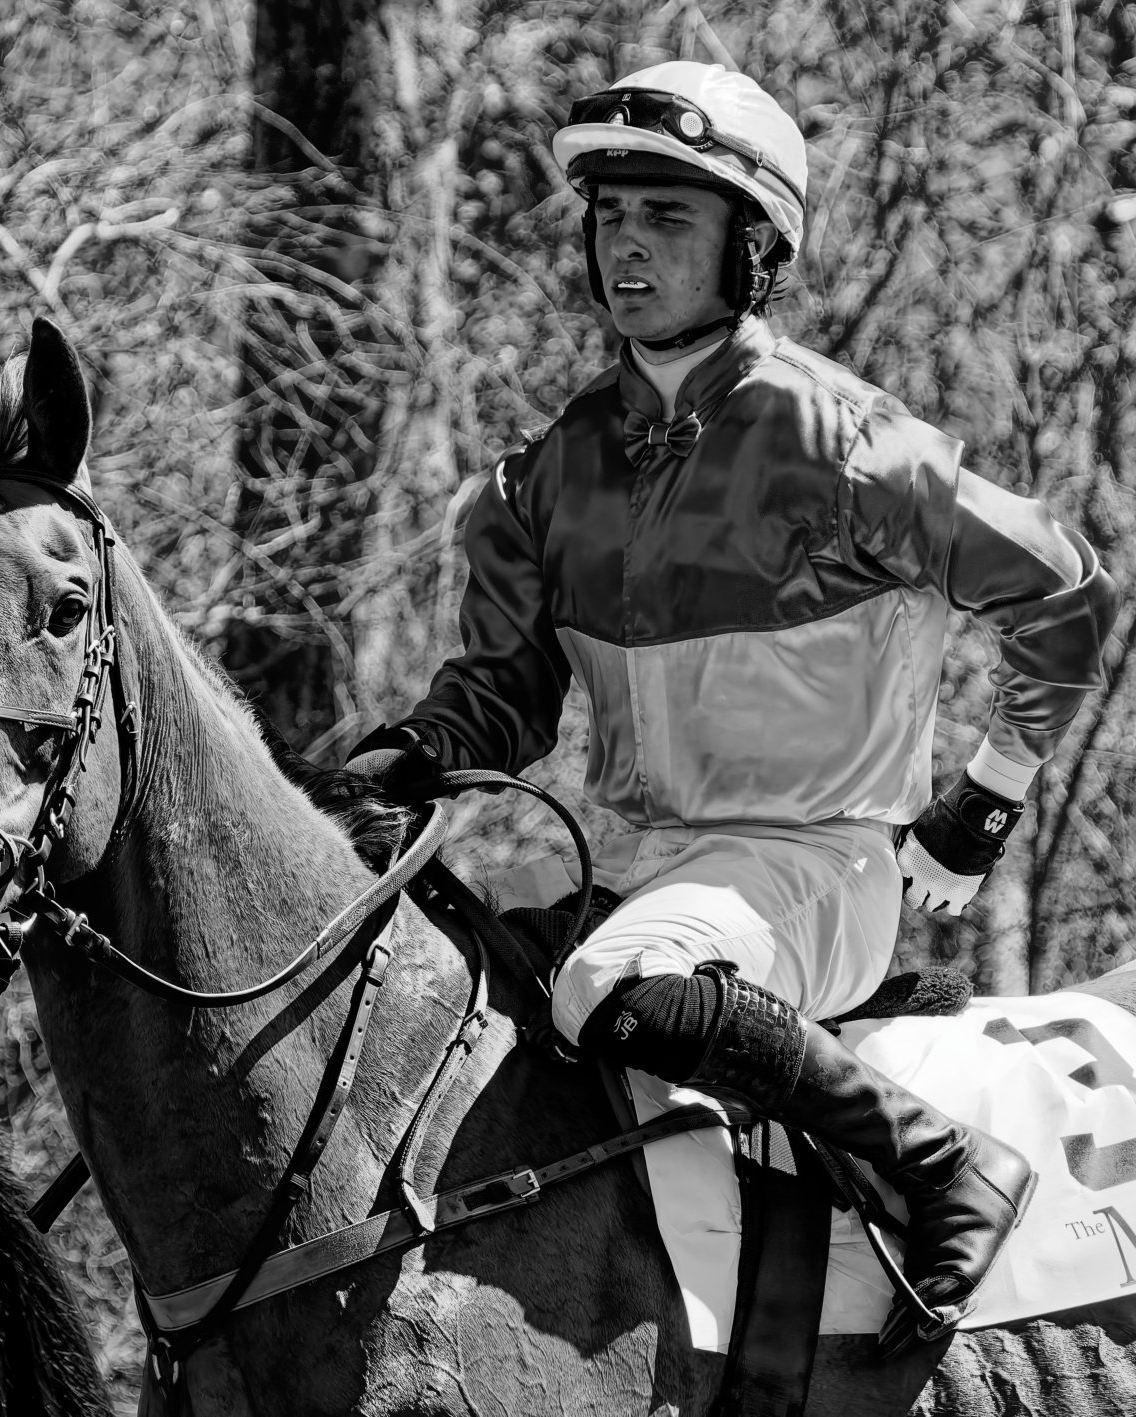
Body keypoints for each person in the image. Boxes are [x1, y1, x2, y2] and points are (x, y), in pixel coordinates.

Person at [347, 60, 1119, 1355]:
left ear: (753, 250)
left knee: (617, 982)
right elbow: (503, 691)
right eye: (609, 216)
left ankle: (945, 1168)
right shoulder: (542, 480)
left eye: (666, 217)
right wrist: (413, 750)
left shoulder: (853, 448)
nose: (625, 246)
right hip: (629, 858)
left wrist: (981, 800)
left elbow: (1068, 592)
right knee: (419, 971)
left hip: (809, 862)